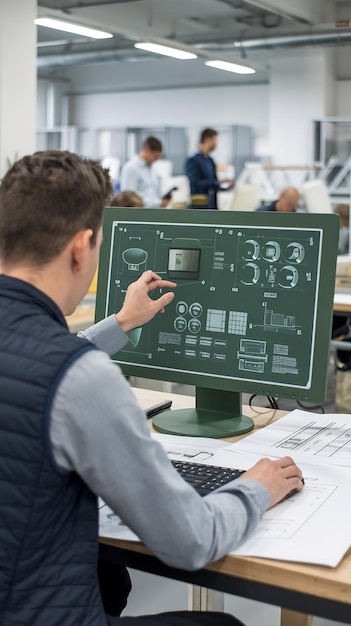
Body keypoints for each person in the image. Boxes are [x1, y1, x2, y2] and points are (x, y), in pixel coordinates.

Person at [0, 150, 304, 626]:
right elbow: (190, 540)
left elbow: (29, 362)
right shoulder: (79, 377)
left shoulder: (50, 358)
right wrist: (255, 488)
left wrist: (120, 323)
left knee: (109, 577)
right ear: (82, 247)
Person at [185, 128, 234, 209]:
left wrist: (224, 187)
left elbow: (214, 182)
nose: (216, 143)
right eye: (215, 140)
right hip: (200, 204)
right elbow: (195, 183)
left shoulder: (210, 160)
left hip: (212, 202)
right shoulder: (193, 161)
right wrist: (219, 182)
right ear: (208, 140)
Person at [120, 136, 169, 208]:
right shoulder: (131, 168)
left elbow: (152, 194)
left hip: (153, 213)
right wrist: (158, 203)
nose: (157, 160)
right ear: (146, 150)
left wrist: (161, 200)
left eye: (159, 157)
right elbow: (129, 199)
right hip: (139, 214)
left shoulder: (152, 169)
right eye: (155, 156)